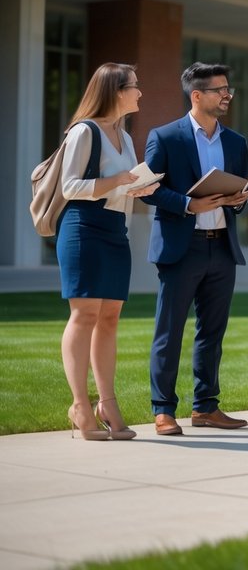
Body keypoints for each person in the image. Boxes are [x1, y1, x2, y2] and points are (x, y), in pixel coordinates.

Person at [143, 63, 248, 437]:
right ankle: (163, 410)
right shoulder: (165, 137)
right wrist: (190, 205)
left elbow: (239, 197)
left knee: (212, 332)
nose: (226, 96)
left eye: (228, 89)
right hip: (180, 247)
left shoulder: (236, 142)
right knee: (169, 330)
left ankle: (206, 407)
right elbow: (149, 190)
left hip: (222, 246)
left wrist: (238, 200)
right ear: (197, 95)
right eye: (220, 89)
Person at [57, 63, 158, 440]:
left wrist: (137, 189)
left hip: (116, 230)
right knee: (84, 314)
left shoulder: (126, 136)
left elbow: (120, 186)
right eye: (134, 86)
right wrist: (117, 180)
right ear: (116, 91)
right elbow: (70, 187)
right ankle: (80, 406)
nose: (140, 93)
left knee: (111, 317)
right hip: (83, 228)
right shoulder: (84, 131)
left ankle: (107, 402)